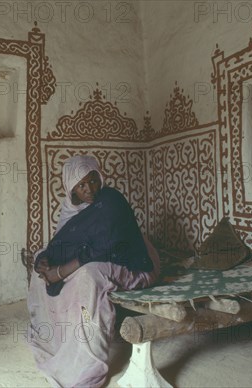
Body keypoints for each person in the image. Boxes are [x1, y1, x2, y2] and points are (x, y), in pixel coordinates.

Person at [27, 155, 160, 387]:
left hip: (132, 262)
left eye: (92, 181)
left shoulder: (111, 201)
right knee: (41, 272)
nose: (89, 189)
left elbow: (108, 245)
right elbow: (61, 243)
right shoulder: (71, 211)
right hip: (94, 258)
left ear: (100, 177)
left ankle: (88, 358)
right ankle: (56, 338)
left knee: (88, 276)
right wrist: (45, 260)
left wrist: (61, 271)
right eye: (81, 185)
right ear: (72, 190)